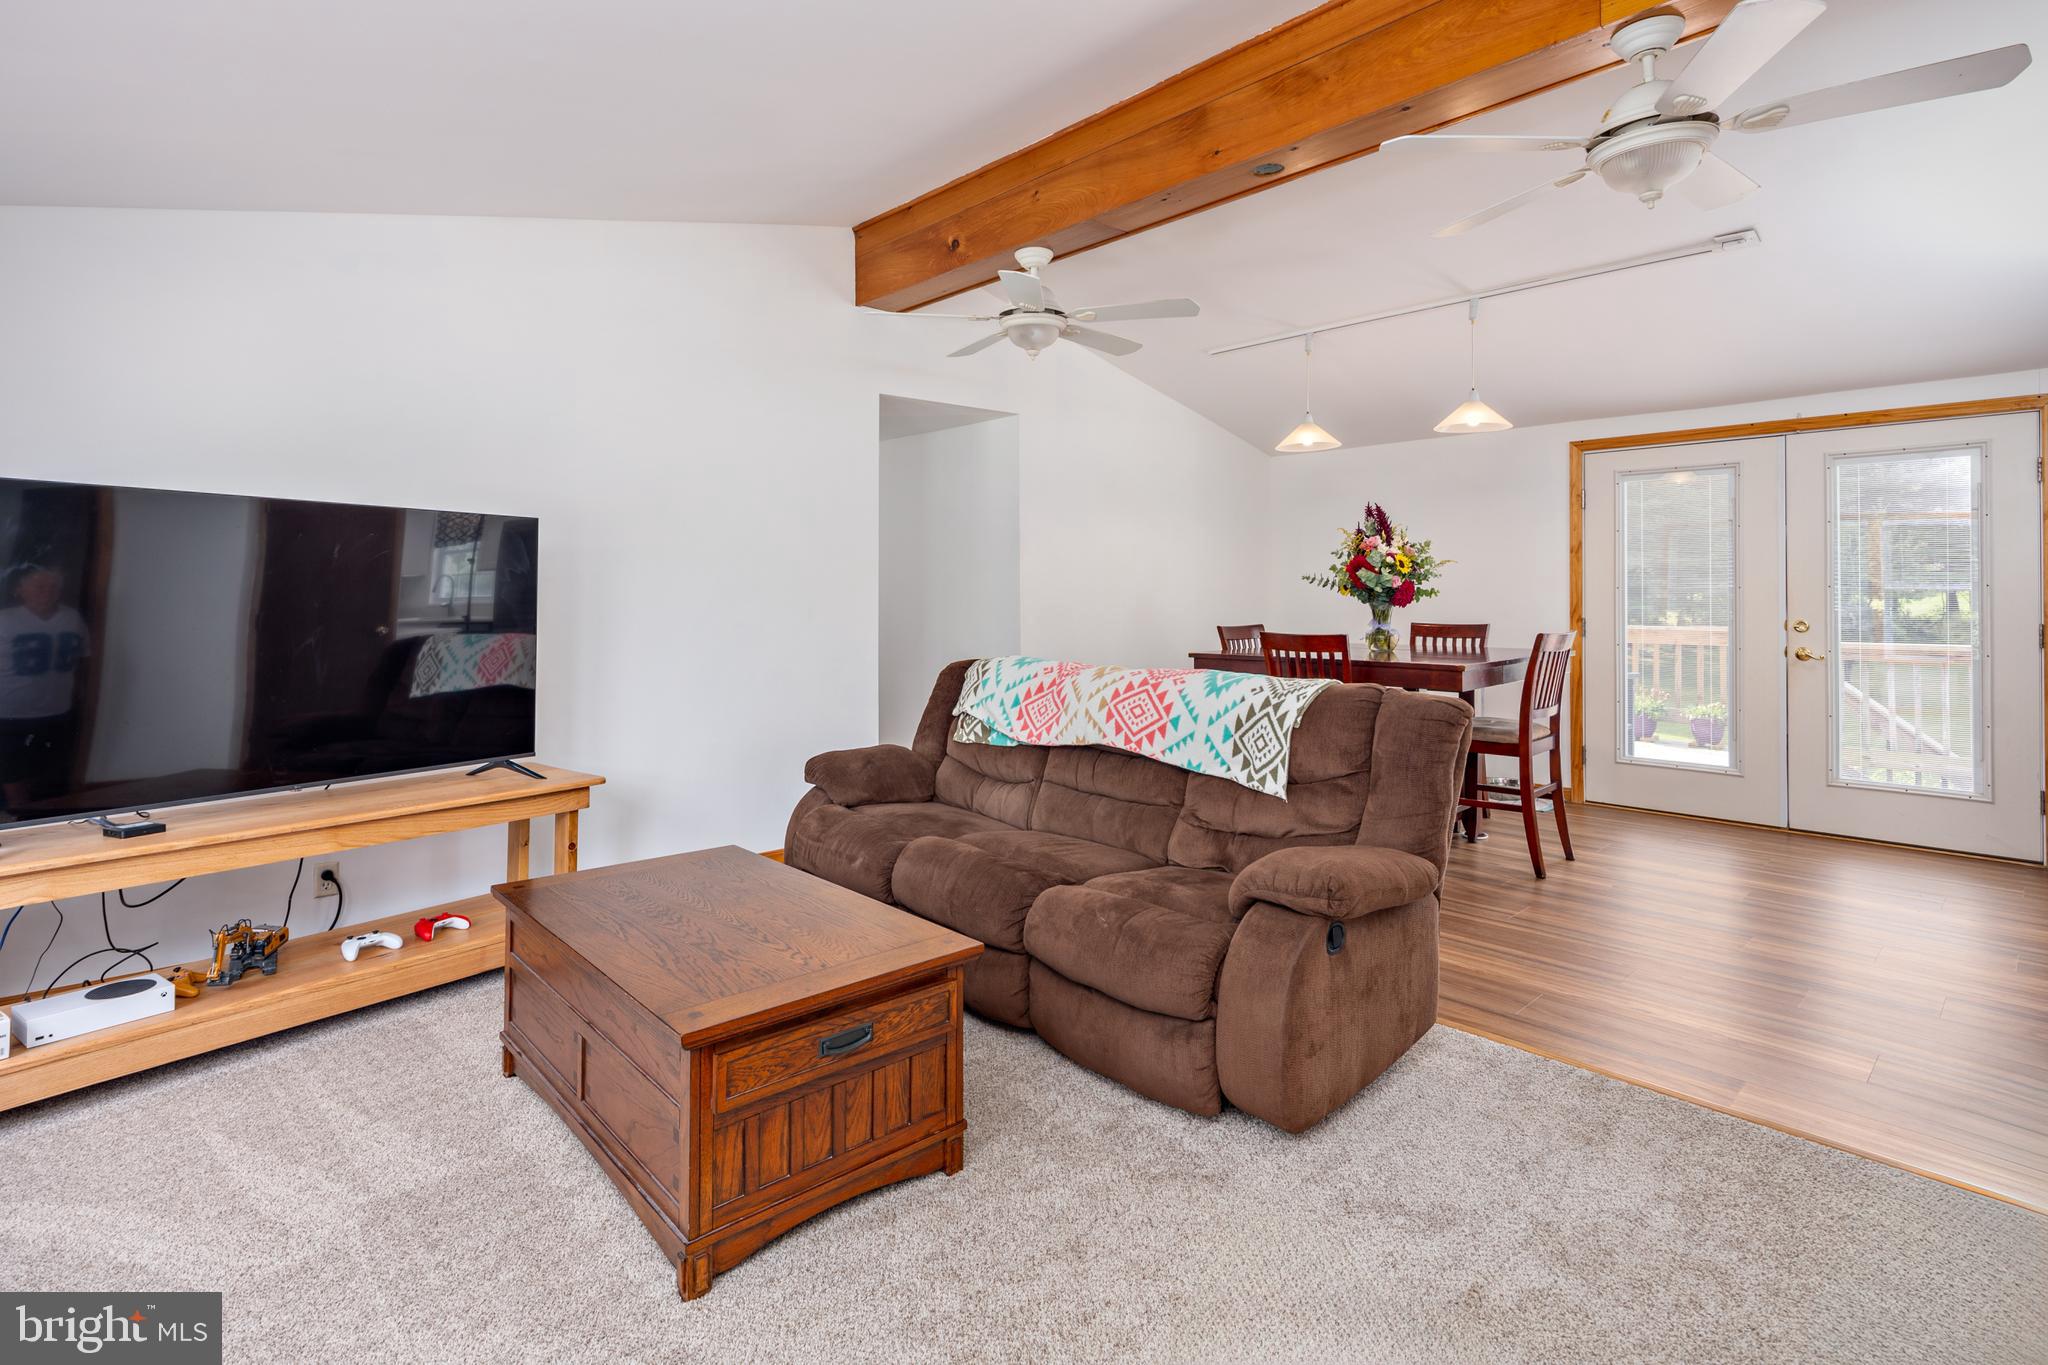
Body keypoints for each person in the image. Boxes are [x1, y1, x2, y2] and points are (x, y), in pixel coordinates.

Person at [0, 564, 90, 816]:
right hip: (10, 712)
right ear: (20, 590)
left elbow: (84, 661)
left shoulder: (72, 618)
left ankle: (39, 816)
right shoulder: (5, 620)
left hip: (57, 710)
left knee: (45, 768)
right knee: (12, 768)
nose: (47, 591)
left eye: (53, 586)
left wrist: (80, 696)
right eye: (39, 586)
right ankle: (21, 819)